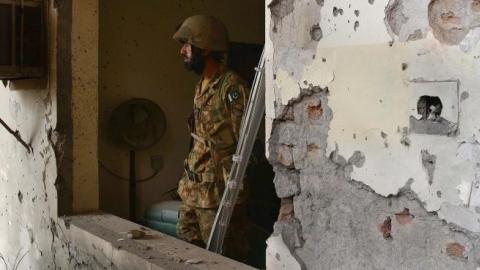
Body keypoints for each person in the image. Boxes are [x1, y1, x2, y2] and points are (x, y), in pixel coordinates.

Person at [172, 15, 250, 262]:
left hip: (217, 194)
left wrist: (237, 194)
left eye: (187, 45)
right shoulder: (201, 85)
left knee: (219, 257)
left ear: (204, 48)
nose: (182, 51)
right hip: (192, 189)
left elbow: (245, 144)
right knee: (188, 249)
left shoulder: (231, 87)